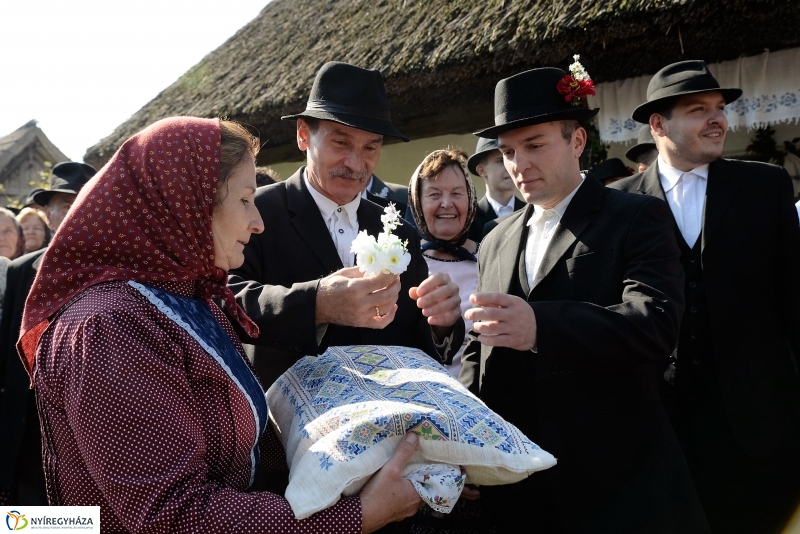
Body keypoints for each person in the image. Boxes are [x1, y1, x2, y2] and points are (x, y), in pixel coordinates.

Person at [15, 116, 422, 532]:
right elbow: (174, 514)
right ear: (188, 202)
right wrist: (355, 516)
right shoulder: (111, 327)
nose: (258, 221)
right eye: (245, 200)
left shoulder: (187, 299)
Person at [459, 66, 708, 533]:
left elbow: (654, 323)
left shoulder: (636, 216)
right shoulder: (493, 240)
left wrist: (542, 327)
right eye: (508, 151)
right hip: (519, 490)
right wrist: (468, 440)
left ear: (577, 141)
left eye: (534, 145)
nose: (518, 165)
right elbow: (480, 345)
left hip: (619, 481)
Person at [610, 59, 800, 534]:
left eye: (719, 108)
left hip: (759, 419)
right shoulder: (621, 203)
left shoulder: (764, 186)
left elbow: (795, 297)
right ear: (658, 124)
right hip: (664, 425)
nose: (717, 119)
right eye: (699, 109)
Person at [228, 61, 464, 393]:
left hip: (391, 415)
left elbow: (419, 336)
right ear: (303, 135)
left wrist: (443, 323)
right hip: (290, 429)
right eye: (341, 143)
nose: (356, 163)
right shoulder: (257, 212)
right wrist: (316, 304)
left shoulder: (400, 232)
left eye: (370, 147)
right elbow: (224, 299)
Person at [0, 161, 96, 506]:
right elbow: (8, 356)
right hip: (30, 429)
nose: (75, 214)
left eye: (84, 202)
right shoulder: (23, 269)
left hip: (92, 426)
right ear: (49, 215)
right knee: (30, 520)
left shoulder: (115, 268)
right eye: (65, 207)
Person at [408, 148, 478, 379]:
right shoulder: (404, 264)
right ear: (416, 201)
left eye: (457, 193)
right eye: (434, 194)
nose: (446, 204)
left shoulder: (493, 256)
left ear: (471, 198)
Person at [466, 137, 526, 240]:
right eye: (500, 161)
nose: (510, 166)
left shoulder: (533, 211)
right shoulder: (469, 219)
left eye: (511, 158)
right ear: (481, 170)